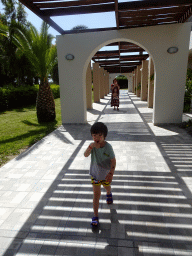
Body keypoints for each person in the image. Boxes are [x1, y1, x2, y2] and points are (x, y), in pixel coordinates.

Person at [84, 122, 116, 227]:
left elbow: (113, 161)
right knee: (96, 195)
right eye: (94, 135)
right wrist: (90, 146)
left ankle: (109, 193)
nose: (97, 138)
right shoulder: (92, 146)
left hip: (106, 175)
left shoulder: (108, 147)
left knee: (107, 187)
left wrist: (111, 173)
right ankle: (95, 216)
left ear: (104, 136)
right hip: (95, 175)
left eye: (99, 135)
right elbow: (85, 155)